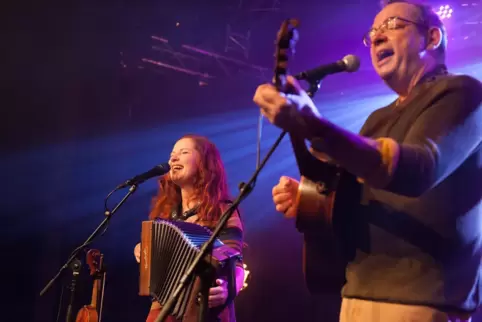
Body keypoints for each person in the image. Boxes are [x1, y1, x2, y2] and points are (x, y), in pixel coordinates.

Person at [253, 1, 482, 321]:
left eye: (393, 25)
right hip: (356, 294)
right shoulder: (377, 119)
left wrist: (316, 126)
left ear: (431, 38)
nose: (376, 38)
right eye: (372, 32)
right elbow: (360, 196)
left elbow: (419, 170)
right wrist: (311, 201)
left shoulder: (464, 92)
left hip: (424, 300)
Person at [133, 134, 245, 322]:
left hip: (202, 311)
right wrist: (142, 250)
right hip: (162, 311)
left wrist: (227, 289)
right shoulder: (166, 215)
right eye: (172, 154)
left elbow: (236, 263)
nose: (173, 158)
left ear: (204, 163)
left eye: (183, 152)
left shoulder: (223, 210)